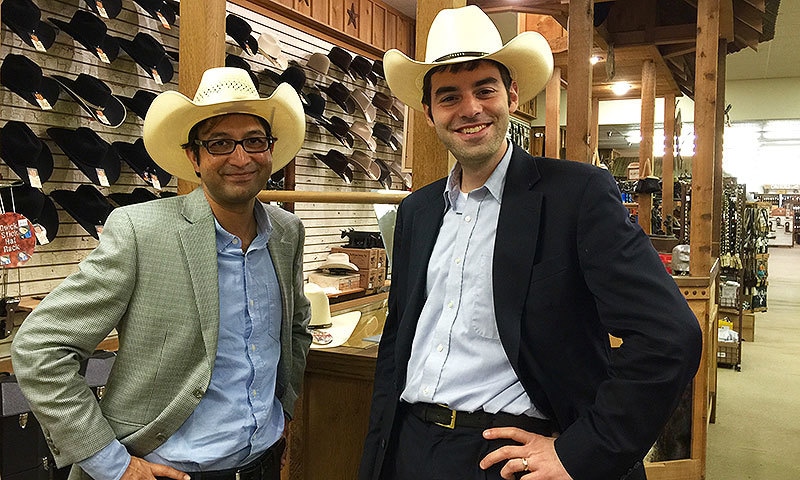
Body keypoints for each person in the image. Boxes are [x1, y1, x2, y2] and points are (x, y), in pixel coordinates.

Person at [359, 6, 703, 480]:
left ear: (511, 94)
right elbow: (398, 343)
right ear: (429, 112)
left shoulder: (576, 197)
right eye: (449, 96)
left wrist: (582, 452)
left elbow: (669, 337)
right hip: (409, 448)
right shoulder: (417, 213)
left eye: (485, 89)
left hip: (508, 455)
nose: (470, 109)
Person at [12, 67, 312, 480]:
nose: (241, 158)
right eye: (220, 143)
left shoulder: (286, 232)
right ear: (194, 156)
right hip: (166, 469)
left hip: (262, 464)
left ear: (270, 149)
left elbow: (295, 328)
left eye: (254, 141)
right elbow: (40, 348)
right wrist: (110, 464)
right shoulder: (142, 231)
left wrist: (283, 408)